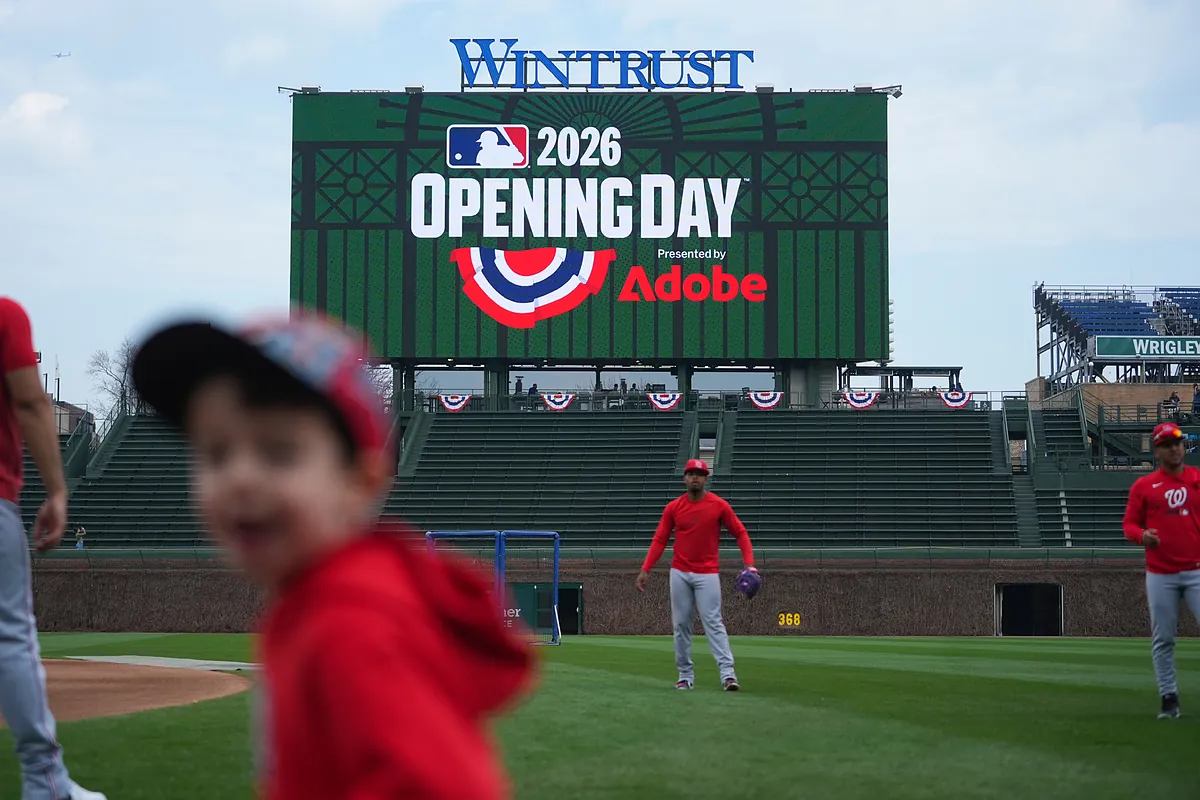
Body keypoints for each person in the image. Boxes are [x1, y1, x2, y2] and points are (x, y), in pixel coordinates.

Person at [130, 312, 536, 799]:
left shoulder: (353, 621)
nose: (239, 477)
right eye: (216, 453)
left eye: (278, 452)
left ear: (360, 483)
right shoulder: (321, 598)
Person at [0, 297, 107, 800]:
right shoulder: (5, 315)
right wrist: (58, 490)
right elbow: (29, 401)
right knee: (11, 636)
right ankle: (45, 782)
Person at [636, 458, 757, 691]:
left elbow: (740, 533)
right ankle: (685, 675)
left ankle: (728, 674)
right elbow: (660, 539)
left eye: (699, 474)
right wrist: (646, 569)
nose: (695, 478)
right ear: (684, 478)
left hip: (707, 573)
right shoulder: (674, 507)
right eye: (691, 473)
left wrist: (749, 564)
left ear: (705, 479)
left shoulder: (718, 505)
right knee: (681, 624)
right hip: (680, 572)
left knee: (713, 622)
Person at [1121, 421, 1200, 719]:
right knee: (1164, 638)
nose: (1174, 449)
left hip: (1196, 569)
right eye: (1167, 445)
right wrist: (1142, 536)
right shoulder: (1144, 486)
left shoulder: (1196, 479)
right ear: (1157, 451)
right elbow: (1129, 525)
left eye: (1177, 443)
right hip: (1161, 573)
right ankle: (1169, 697)